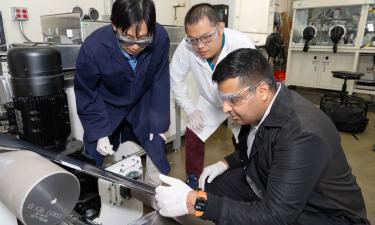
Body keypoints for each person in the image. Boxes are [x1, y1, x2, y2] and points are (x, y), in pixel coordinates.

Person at [155, 48, 370, 225]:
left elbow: (276, 216)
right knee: (209, 187)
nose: (225, 107)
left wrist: (196, 203)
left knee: (206, 203)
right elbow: (254, 149)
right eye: (222, 98)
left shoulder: (302, 135)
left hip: (322, 215)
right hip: (265, 181)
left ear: (263, 90)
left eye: (232, 99)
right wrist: (224, 163)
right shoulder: (258, 110)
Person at [74, 0, 170, 184]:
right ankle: (103, 201)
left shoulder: (160, 38)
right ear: (114, 26)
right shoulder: (94, 47)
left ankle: (155, 198)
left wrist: (159, 125)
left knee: (156, 148)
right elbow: (87, 91)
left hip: (142, 102)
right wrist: (99, 131)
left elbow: (160, 80)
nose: (135, 46)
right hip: (106, 105)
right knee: (96, 156)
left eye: (143, 39)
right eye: (127, 38)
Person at [170, 3, 255, 189]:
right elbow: (175, 78)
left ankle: (245, 172)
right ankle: (193, 179)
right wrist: (190, 109)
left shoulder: (241, 45)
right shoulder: (186, 48)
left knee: (244, 138)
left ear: (221, 28)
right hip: (209, 100)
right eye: (193, 39)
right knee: (193, 133)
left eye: (206, 37)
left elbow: (255, 84)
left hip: (237, 100)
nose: (199, 46)